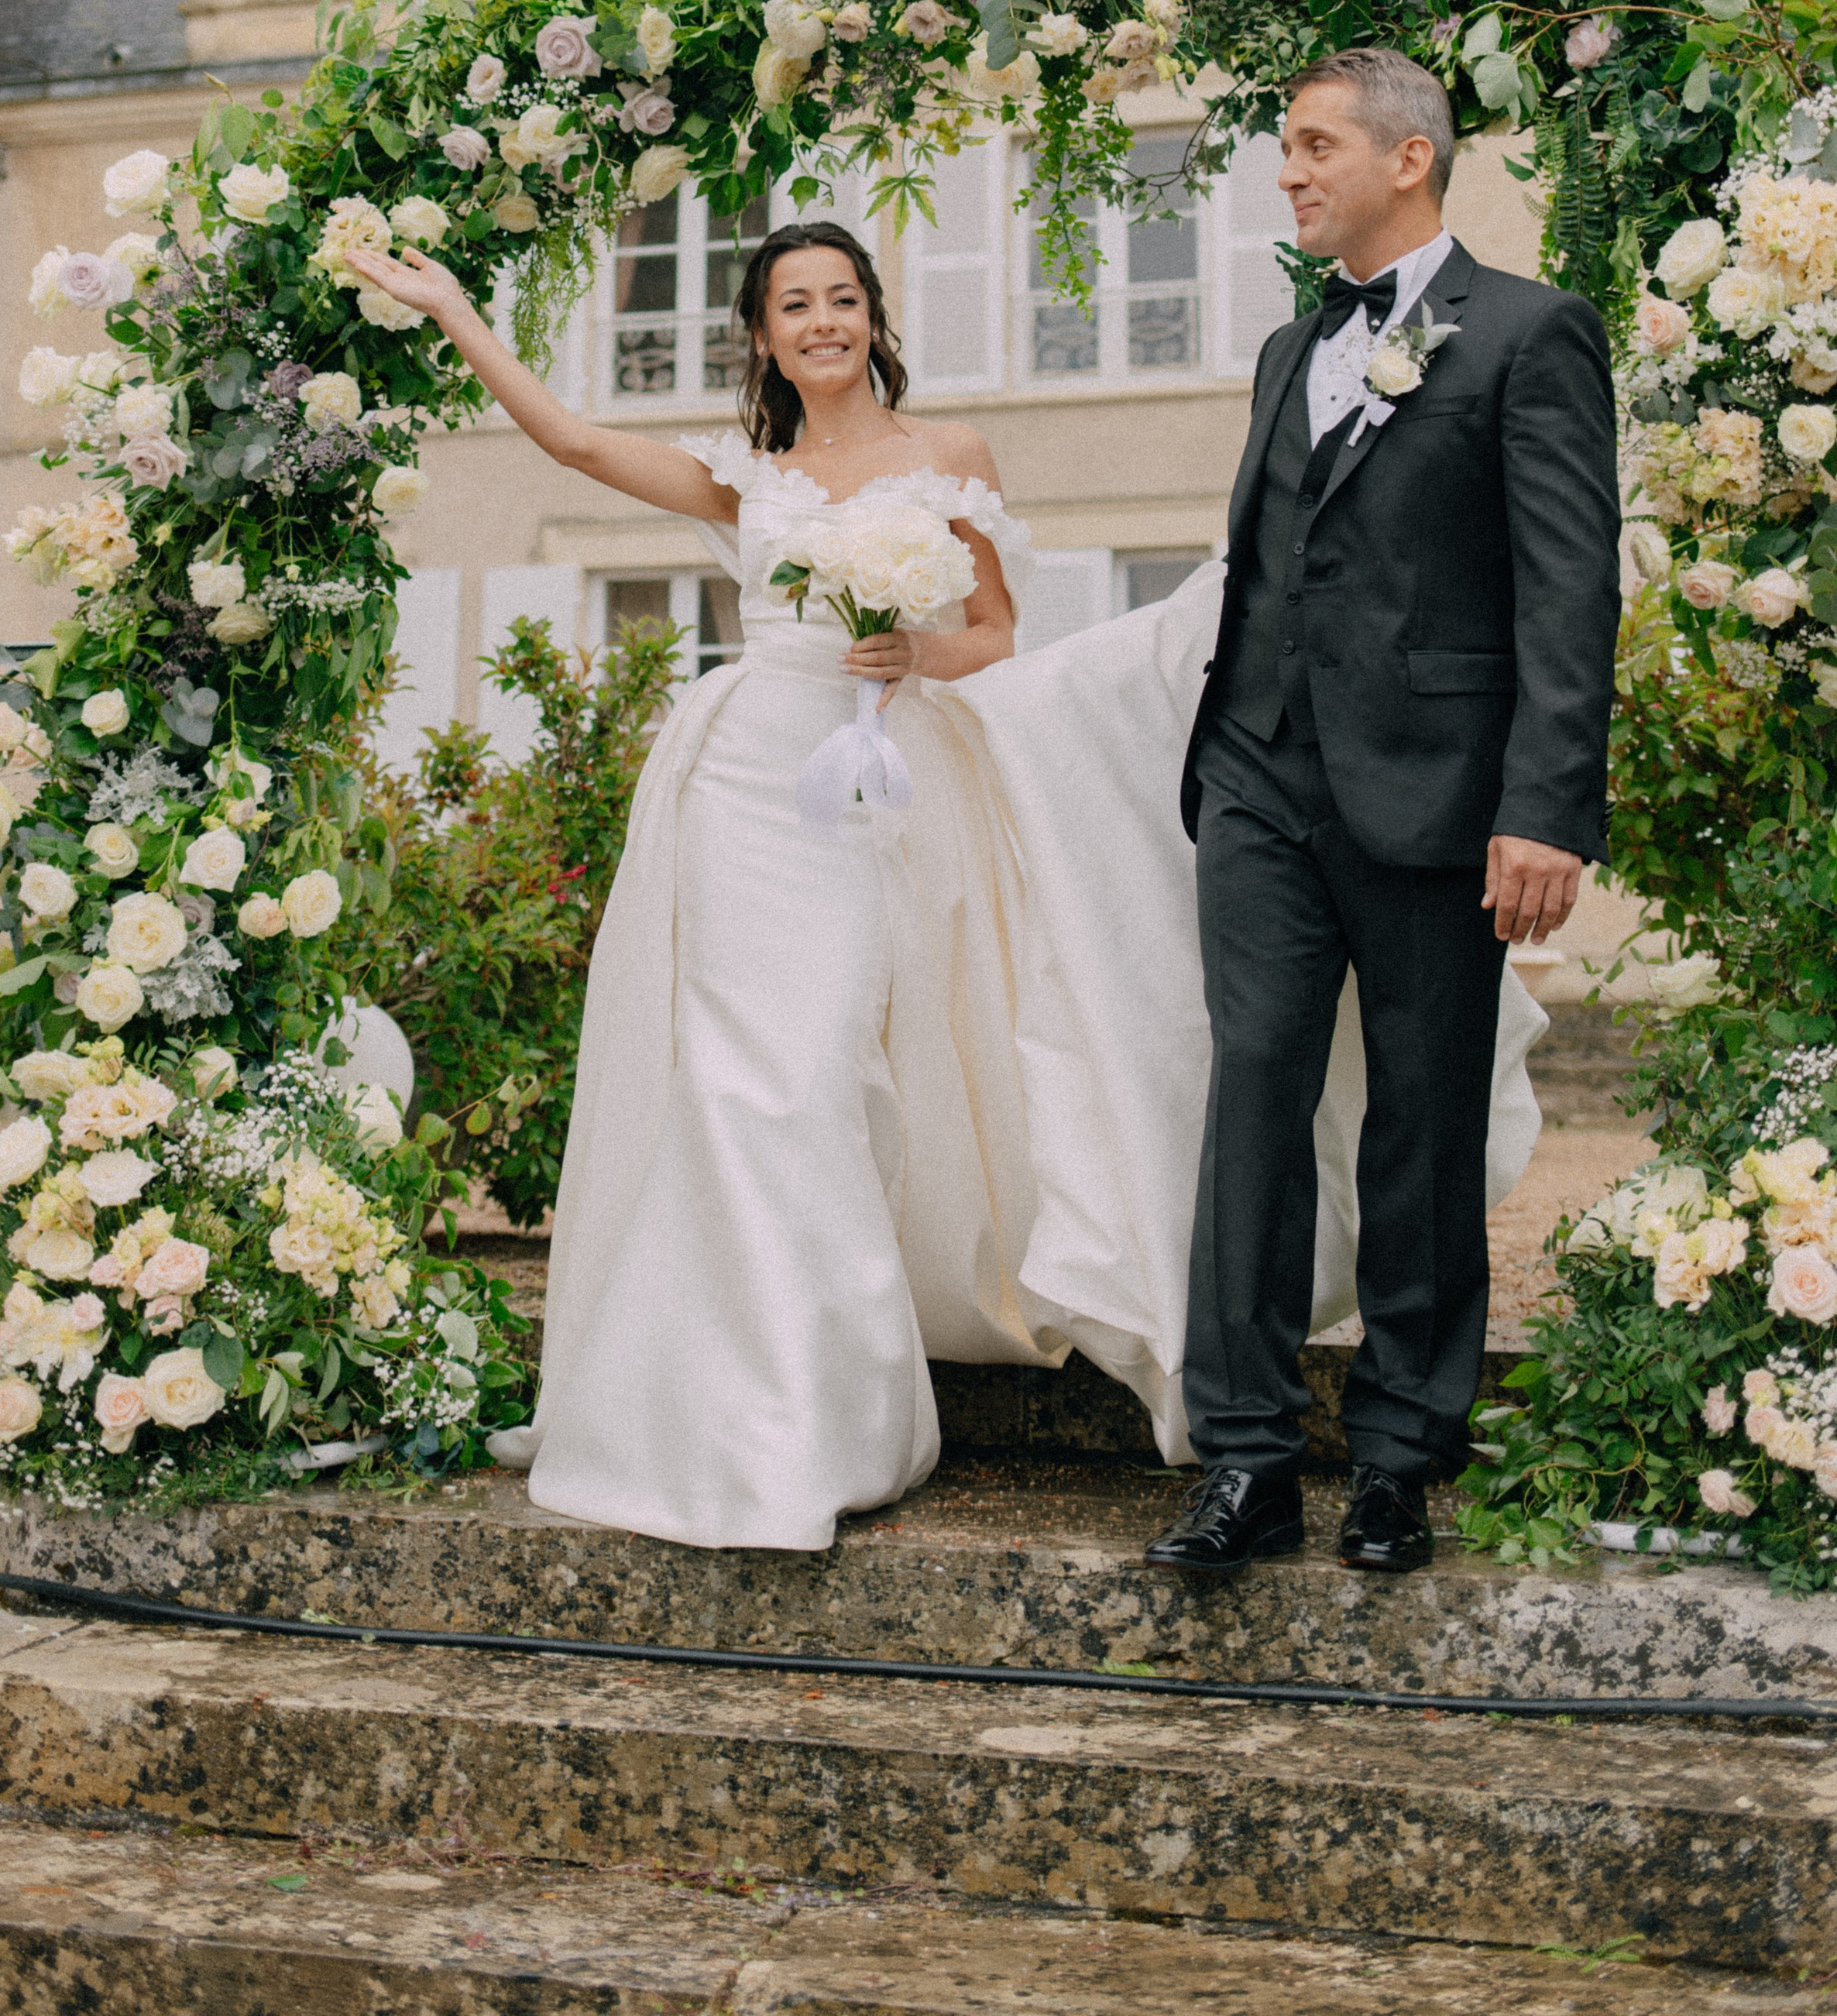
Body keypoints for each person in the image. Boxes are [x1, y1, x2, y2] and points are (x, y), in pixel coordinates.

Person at [345, 200, 1555, 1554]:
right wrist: (456, 313)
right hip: (748, 783)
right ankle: (744, 1411)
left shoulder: (952, 455)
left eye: (843, 298)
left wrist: (910, 656)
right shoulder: (745, 474)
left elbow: (992, 631)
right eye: (795, 303)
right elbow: (569, 438)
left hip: (878, 795)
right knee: (744, 1088)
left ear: (875, 317)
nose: (823, 321)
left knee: (832, 1073)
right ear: (759, 334)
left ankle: (841, 1404)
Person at [1149, 46, 1619, 1584]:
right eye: (1283, 145)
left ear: (1405, 158)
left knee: (1417, 1128)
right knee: (1251, 1104)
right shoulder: (1290, 348)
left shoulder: (1526, 334)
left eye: (1308, 143)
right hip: (1259, 783)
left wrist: (1541, 803)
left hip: (1435, 798)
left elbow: (1565, 588)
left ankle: (1400, 1458)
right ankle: (1244, 1457)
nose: (1284, 170)